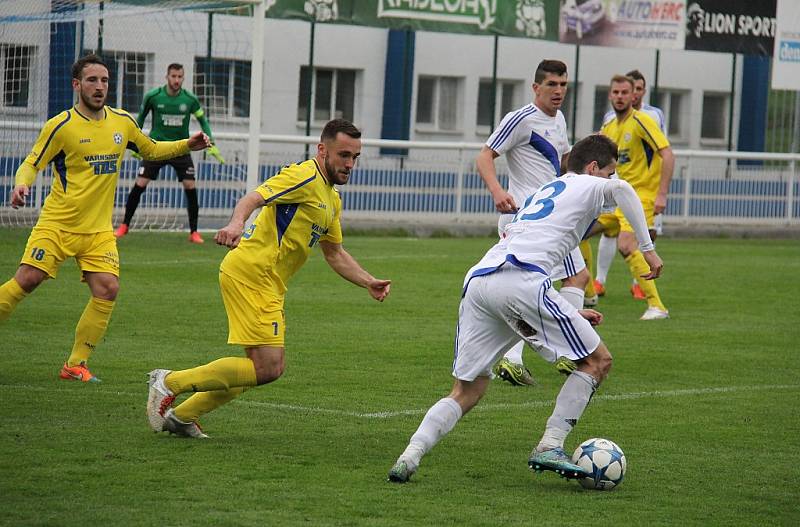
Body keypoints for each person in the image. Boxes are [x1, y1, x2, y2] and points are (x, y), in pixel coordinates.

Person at [388, 134, 663, 483]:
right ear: (593, 168)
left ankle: (408, 457)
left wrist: (568, 313)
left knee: (466, 391)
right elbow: (624, 191)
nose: (611, 181)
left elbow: (539, 254)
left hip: (481, 280)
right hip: (520, 281)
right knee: (597, 362)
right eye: (609, 173)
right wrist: (648, 248)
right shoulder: (589, 185)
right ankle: (550, 444)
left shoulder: (546, 193)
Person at [145, 119, 391, 438]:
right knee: (268, 368)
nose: (349, 164)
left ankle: (183, 416)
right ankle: (169, 382)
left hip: (268, 283)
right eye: (344, 155)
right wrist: (235, 224)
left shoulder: (332, 199)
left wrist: (368, 281)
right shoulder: (304, 174)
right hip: (252, 273)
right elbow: (255, 198)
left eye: (355, 157)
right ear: (322, 149)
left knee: (258, 370)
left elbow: (335, 253)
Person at [0, 54, 211, 382]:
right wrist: (21, 185)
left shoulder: (122, 122)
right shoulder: (60, 126)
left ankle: (75, 364)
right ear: (77, 85)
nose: (100, 87)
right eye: (92, 80)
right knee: (27, 279)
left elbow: (151, 149)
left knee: (107, 288)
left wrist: (188, 143)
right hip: (58, 224)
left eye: (105, 81)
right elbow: (31, 162)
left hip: (97, 230)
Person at [475, 59, 590, 386]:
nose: (558, 91)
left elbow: (562, 161)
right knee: (573, 278)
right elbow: (484, 156)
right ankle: (568, 351)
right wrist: (497, 191)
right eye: (552, 84)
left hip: (548, 217)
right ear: (536, 87)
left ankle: (516, 358)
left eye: (563, 84)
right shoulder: (521, 119)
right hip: (531, 219)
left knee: (551, 284)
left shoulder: (560, 119)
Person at [588, 74, 674, 320]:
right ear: (610, 95)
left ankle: (657, 306)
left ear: (634, 95)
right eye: (616, 92)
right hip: (616, 198)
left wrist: (662, 194)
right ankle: (589, 291)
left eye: (625, 92)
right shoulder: (609, 127)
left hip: (641, 196)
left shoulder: (642, 121)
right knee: (578, 232)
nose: (620, 96)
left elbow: (667, 154)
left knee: (626, 245)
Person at [114, 63, 224, 244]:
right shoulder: (153, 97)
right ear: (167, 77)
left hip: (181, 148)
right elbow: (139, 120)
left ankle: (194, 232)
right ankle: (124, 226)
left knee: (190, 187)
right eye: (173, 76)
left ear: (183, 78)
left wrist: (210, 142)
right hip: (156, 147)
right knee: (140, 184)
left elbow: (203, 122)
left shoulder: (190, 99)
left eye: (180, 77)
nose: (176, 80)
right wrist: (135, 143)